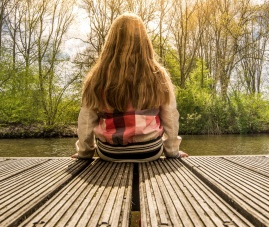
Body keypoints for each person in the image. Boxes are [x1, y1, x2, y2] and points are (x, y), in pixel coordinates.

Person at [71, 13, 188, 162]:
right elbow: (170, 116)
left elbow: (87, 119)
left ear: (111, 41)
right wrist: (172, 151)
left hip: (109, 152)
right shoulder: (157, 74)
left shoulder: (97, 76)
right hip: (149, 150)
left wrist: (85, 152)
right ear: (144, 41)